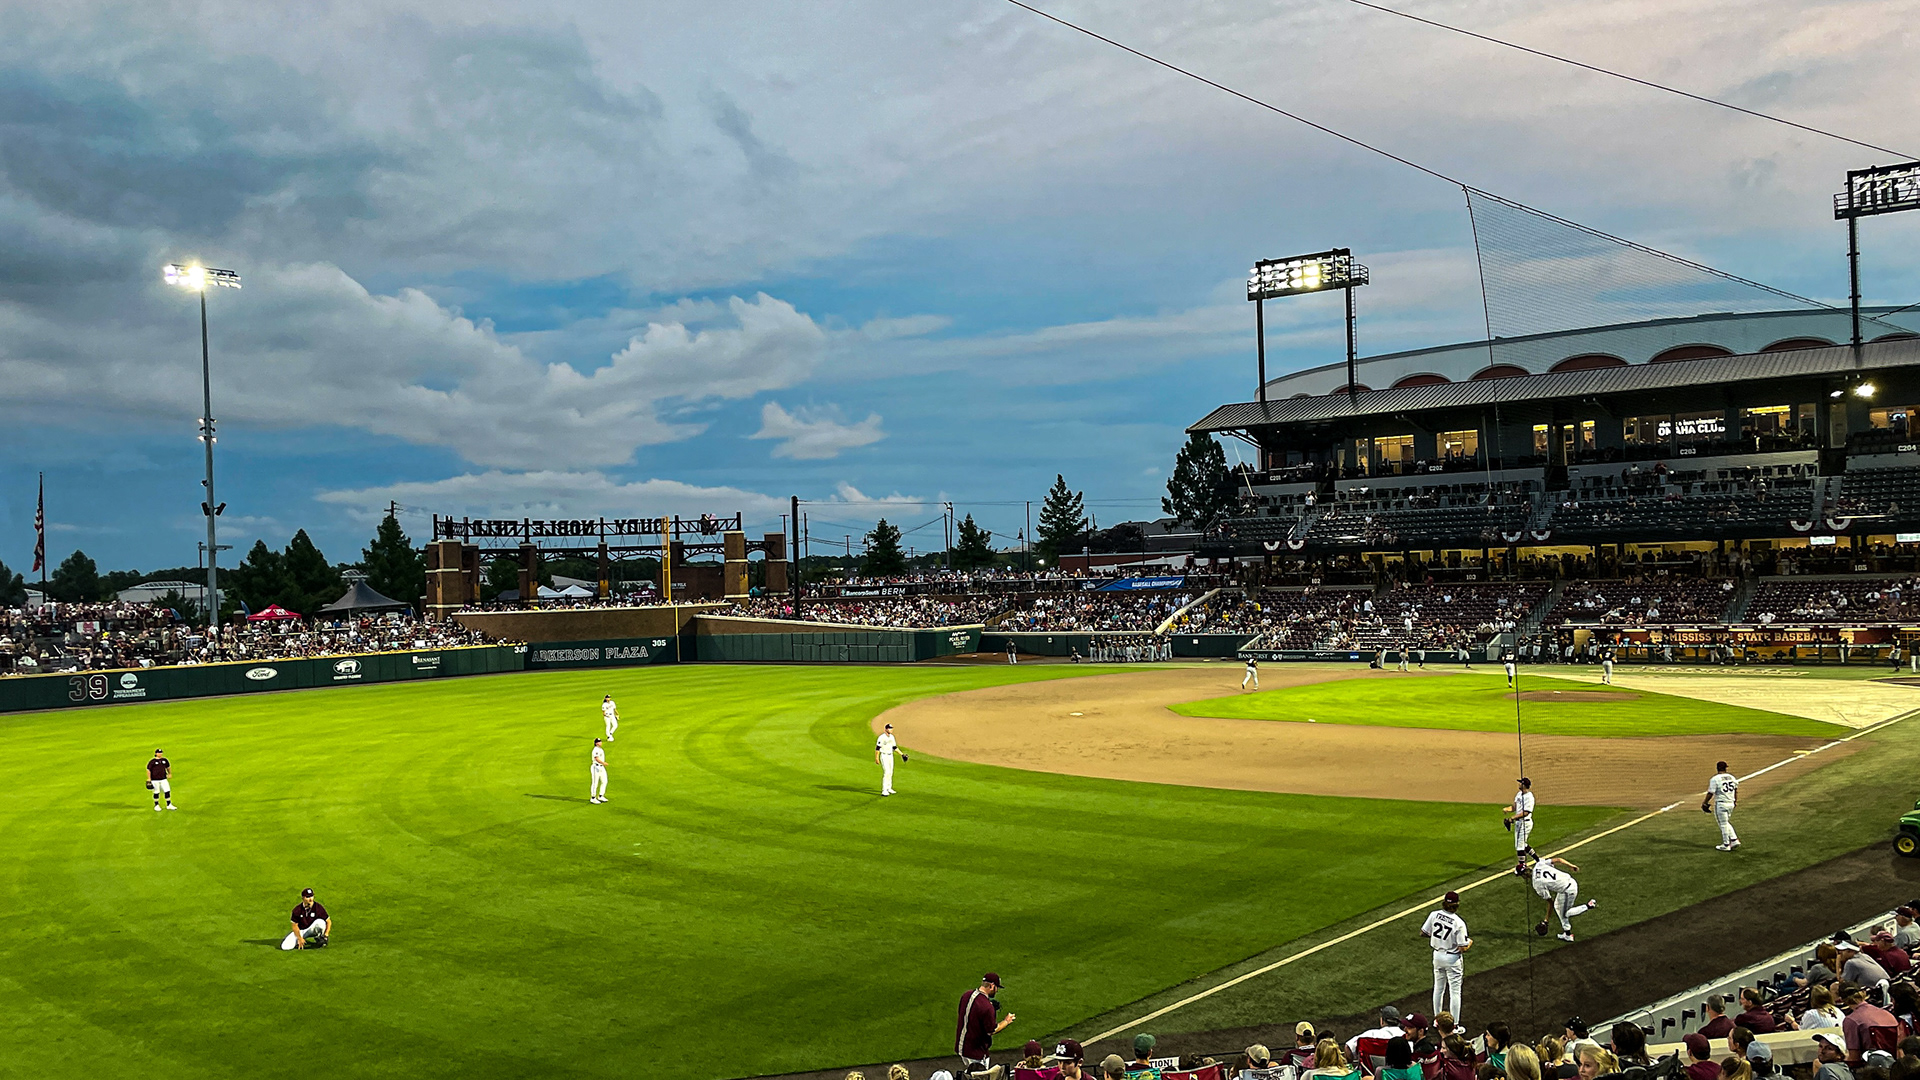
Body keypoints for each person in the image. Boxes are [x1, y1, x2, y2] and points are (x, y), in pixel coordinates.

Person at [1421, 891, 1471, 1024]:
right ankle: (1454, 1024)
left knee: (1438, 988)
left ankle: (1437, 1020)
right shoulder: (1458, 922)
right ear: (1457, 905)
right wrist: (1470, 942)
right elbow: (1462, 947)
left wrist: (1438, 938)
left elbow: (1423, 932)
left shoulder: (1434, 915)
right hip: (1452, 958)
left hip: (1437, 955)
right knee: (1455, 991)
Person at [1530, 856, 1598, 942]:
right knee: (1558, 907)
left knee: (1565, 913)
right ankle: (1567, 934)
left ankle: (1588, 906)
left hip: (1568, 890)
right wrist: (1571, 865)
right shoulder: (1538, 865)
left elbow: (1550, 902)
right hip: (1569, 883)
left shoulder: (1537, 884)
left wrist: (1546, 921)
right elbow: (1558, 860)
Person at [957, 972, 1015, 1074]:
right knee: (980, 1075)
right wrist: (1006, 1021)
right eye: (996, 987)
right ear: (992, 986)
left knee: (969, 1072)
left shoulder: (966, 995)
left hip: (961, 1046)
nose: (996, 990)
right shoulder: (987, 1007)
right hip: (976, 1051)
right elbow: (992, 1030)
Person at [1842, 982, 1898, 1062]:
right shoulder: (1888, 1014)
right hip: (1894, 1063)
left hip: (1869, 1067)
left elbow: (1854, 1057)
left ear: (1842, 1000)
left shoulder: (1851, 1020)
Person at [1705, 761, 1740, 851]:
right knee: (1726, 822)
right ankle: (1734, 839)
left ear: (1717, 768)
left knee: (1723, 824)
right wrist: (1735, 801)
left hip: (1721, 804)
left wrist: (1705, 802)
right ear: (1725, 768)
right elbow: (1736, 790)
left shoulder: (1715, 779)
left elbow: (1711, 792)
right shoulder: (1732, 777)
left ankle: (1726, 844)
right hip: (1731, 803)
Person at [1505, 778, 1536, 863]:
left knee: (1520, 846)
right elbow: (1514, 807)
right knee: (1522, 844)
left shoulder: (1529, 797)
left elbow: (1526, 812)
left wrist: (1513, 818)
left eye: (1520, 783)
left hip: (1525, 823)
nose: (1518, 785)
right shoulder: (1519, 794)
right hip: (1519, 823)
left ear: (1524, 785)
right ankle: (1538, 860)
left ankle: (1522, 866)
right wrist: (1507, 809)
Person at [875, 722, 901, 797]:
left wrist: (902, 754)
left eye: (891, 728)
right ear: (886, 729)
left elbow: (894, 747)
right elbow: (878, 748)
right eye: (889, 728)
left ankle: (889, 788)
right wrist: (877, 758)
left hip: (890, 755)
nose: (891, 730)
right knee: (886, 772)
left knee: (890, 772)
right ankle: (884, 790)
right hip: (884, 755)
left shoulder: (892, 737)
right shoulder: (882, 737)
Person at [590, 737, 609, 804]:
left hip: (601, 767)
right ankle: (593, 798)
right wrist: (603, 763)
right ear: (596, 743)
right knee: (595, 783)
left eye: (600, 741)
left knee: (604, 781)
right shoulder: (596, 750)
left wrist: (603, 764)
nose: (600, 742)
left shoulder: (600, 749)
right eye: (598, 742)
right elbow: (596, 758)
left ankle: (601, 795)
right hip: (596, 767)